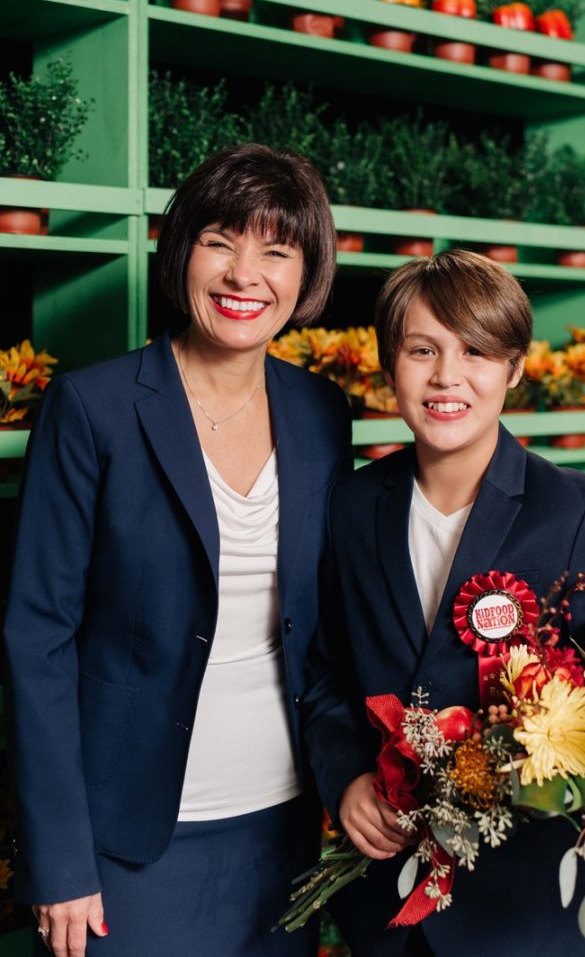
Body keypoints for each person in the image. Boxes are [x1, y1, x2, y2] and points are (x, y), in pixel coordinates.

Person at [3, 142, 354, 957]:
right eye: (220, 241)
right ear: (183, 250)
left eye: (276, 250)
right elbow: (36, 636)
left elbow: (325, 624)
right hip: (128, 839)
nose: (244, 274)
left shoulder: (320, 412)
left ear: (305, 276)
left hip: (285, 825)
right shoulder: (92, 407)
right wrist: (59, 858)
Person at [302, 248, 585, 957]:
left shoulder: (574, 511)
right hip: (389, 903)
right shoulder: (353, 506)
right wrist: (346, 778)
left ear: (515, 368)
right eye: (422, 349)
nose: (446, 376)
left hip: (528, 909)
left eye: (477, 351)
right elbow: (327, 669)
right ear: (388, 363)